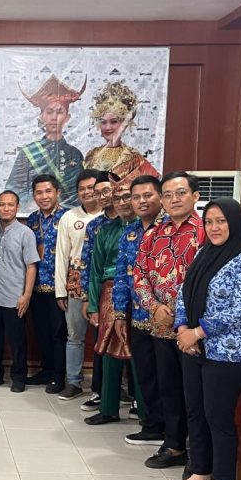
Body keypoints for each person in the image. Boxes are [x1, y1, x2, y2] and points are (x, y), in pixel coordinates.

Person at [169, 199, 241, 480]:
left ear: (235, 223)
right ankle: (201, 470)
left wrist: (197, 332)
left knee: (218, 415)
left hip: (228, 352)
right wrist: (182, 328)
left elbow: (240, 310)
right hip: (193, 346)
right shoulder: (204, 252)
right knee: (196, 411)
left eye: (221, 221)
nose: (214, 227)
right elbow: (184, 292)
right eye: (209, 221)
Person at [134, 171, 204, 470]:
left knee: (195, 392)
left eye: (181, 193)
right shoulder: (153, 234)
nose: (174, 199)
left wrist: (185, 317)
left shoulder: (207, 231)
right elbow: (139, 273)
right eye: (168, 195)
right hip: (162, 325)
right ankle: (174, 445)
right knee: (169, 387)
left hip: (194, 330)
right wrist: (154, 307)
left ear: (195, 196)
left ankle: (200, 454)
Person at [114, 175, 166, 445]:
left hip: (167, 320)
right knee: (145, 374)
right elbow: (122, 275)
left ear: (160, 197)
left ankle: (173, 433)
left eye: (148, 195)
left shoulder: (170, 229)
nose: (142, 201)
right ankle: (153, 426)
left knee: (167, 377)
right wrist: (119, 313)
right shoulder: (130, 231)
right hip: (137, 316)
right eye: (136, 197)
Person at [84, 176, 140, 425]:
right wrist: (93, 305)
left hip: (140, 294)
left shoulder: (148, 228)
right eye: (117, 198)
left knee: (138, 349)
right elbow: (95, 271)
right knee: (108, 348)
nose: (122, 202)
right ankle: (108, 407)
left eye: (127, 196)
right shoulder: (105, 231)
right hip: (109, 293)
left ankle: (142, 408)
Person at [5, 74, 85, 213]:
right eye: (49, 112)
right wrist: (33, 201)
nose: (54, 117)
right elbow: (13, 189)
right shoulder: (28, 153)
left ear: (67, 117)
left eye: (59, 112)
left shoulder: (75, 154)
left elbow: (80, 192)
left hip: (68, 218)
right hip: (36, 216)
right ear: (41, 116)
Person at [0, 190, 39, 392]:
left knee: (17, 342)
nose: (6, 208)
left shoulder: (26, 233)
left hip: (15, 297)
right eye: (2, 204)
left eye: (10, 204)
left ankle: (18, 378)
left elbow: (31, 266)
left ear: (17, 207)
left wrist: (26, 295)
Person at [54, 169, 101, 400]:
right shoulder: (69, 217)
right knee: (74, 335)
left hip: (103, 283)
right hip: (76, 281)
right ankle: (73, 381)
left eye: (91, 188)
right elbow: (61, 255)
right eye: (82, 189)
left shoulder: (110, 215)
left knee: (105, 336)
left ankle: (107, 385)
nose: (87, 192)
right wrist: (60, 291)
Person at [77, 173, 119, 411]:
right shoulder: (95, 226)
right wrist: (88, 299)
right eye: (98, 192)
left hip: (131, 292)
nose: (102, 196)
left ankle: (133, 398)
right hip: (103, 292)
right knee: (101, 343)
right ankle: (99, 392)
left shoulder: (131, 222)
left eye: (107, 191)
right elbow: (88, 264)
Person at [25, 174, 68, 393]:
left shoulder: (68, 217)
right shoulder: (32, 219)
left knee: (59, 334)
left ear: (57, 192)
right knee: (41, 331)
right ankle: (46, 370)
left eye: (48, 191)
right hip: (36, 286)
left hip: (59, 288)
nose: (44, 196)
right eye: (39, 192)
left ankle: (59, 377)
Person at [83, 81, 159, 181]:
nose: (107, 127)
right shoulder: (91, 155)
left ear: (124, 123)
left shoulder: (134, 158)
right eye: (103, 122)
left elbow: (152, 183)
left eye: (114, 122)